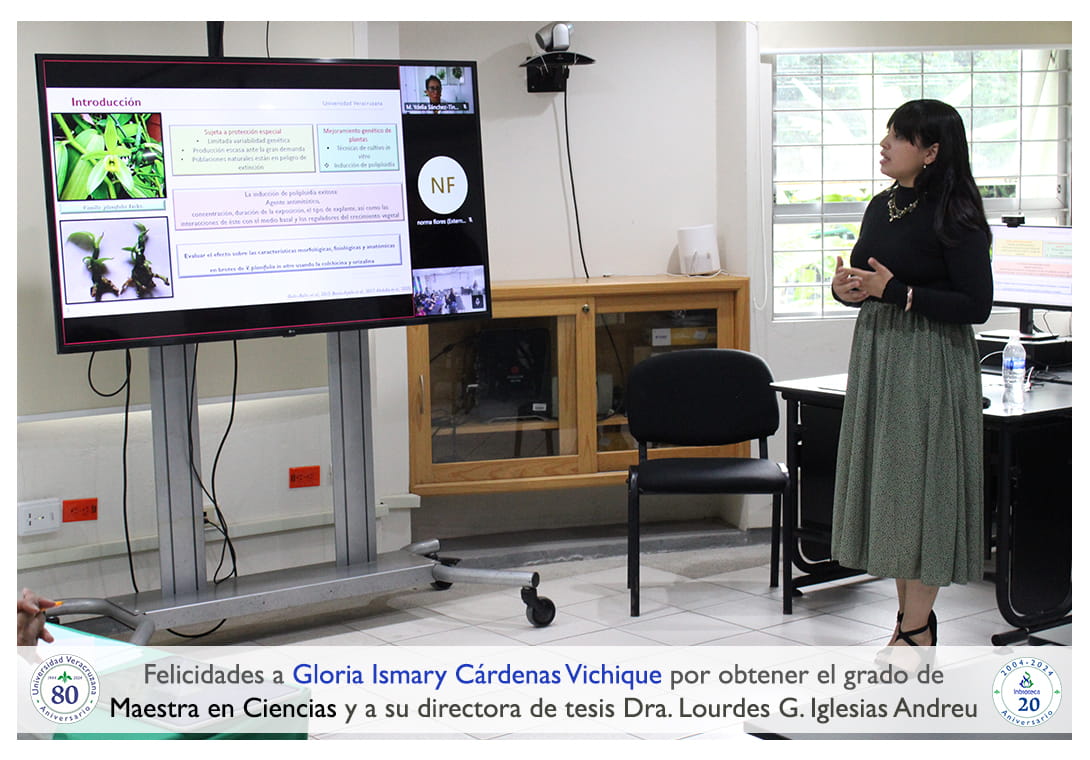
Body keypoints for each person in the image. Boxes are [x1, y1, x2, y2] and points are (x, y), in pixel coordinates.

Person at [829, 99, 993, 649]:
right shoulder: (882, 206)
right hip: (880, 353)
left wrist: (898, 292)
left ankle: (915, 628)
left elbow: (976, 305)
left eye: (897, 137)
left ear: (931, 151)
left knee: (923, 489)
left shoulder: (957, 214)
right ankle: (909, 625)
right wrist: (846, 288)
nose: (884, 144)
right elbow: (865, 277)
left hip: (929, 358)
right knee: (895, 490)